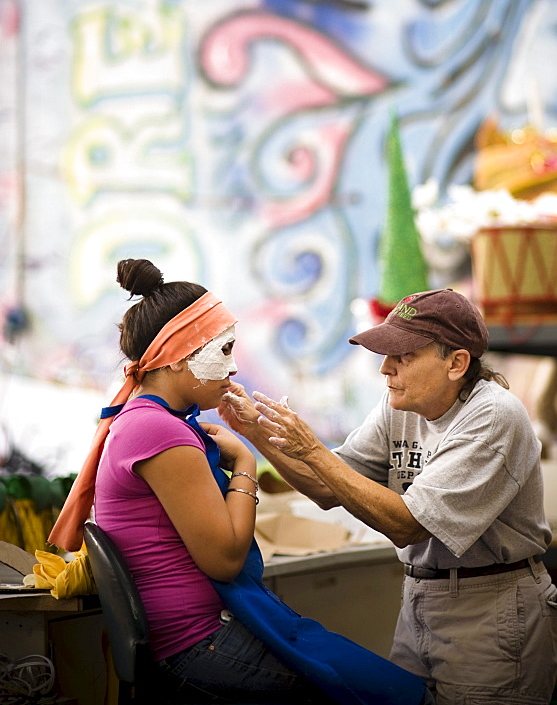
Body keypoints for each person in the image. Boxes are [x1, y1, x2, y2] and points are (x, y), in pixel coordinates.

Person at [49, 258, 432, 705]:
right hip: (193, 645)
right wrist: (245, 464)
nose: (233, 368)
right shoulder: (159, 430)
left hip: (195, 634)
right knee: (361, 691)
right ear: (176, 358)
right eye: (223, 350)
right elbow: (225, 559)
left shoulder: (148, 421)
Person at [219, 288, 557, 705]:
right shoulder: (399, 404)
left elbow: (407, 525)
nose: (386, 369)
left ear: (456, 363)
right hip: (420, 599)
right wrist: (255, 431)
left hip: (490, 608)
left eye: (404, 357)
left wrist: (309, 447)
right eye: (387, 355)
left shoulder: (493, 416)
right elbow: (329, 488)